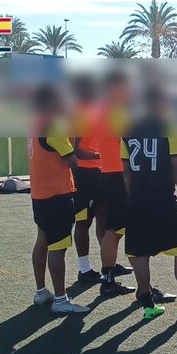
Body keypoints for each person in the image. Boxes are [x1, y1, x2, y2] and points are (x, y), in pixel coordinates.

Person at [121, 84, 177, 320]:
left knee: (140, 253)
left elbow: (126, 171)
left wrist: (132, 197)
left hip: (138, 202)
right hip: (163, 200)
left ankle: (148, 306)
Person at [28, 86, 89, 315]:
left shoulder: (35, 123)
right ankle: (61, 299)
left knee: (42, 240)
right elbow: (71, 159)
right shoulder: (54, 126)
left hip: (40, 194)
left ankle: (42, 291)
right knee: (58, 247)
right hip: (57, 195)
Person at [94, 71, 136, 296]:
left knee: (113, 228)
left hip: (109, 173)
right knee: (114, 229)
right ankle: (108, 280)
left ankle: (109, 274)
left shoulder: (102, 108)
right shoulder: (116, 110)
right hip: (119, 174)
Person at [69, 74, 105, 284]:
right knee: (83, 222)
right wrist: (101, 156)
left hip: (99, 173)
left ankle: (108, 264)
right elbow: (75, 150)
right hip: (83, 175)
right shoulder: (77, 114)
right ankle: (84, 269)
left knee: (104, 219)